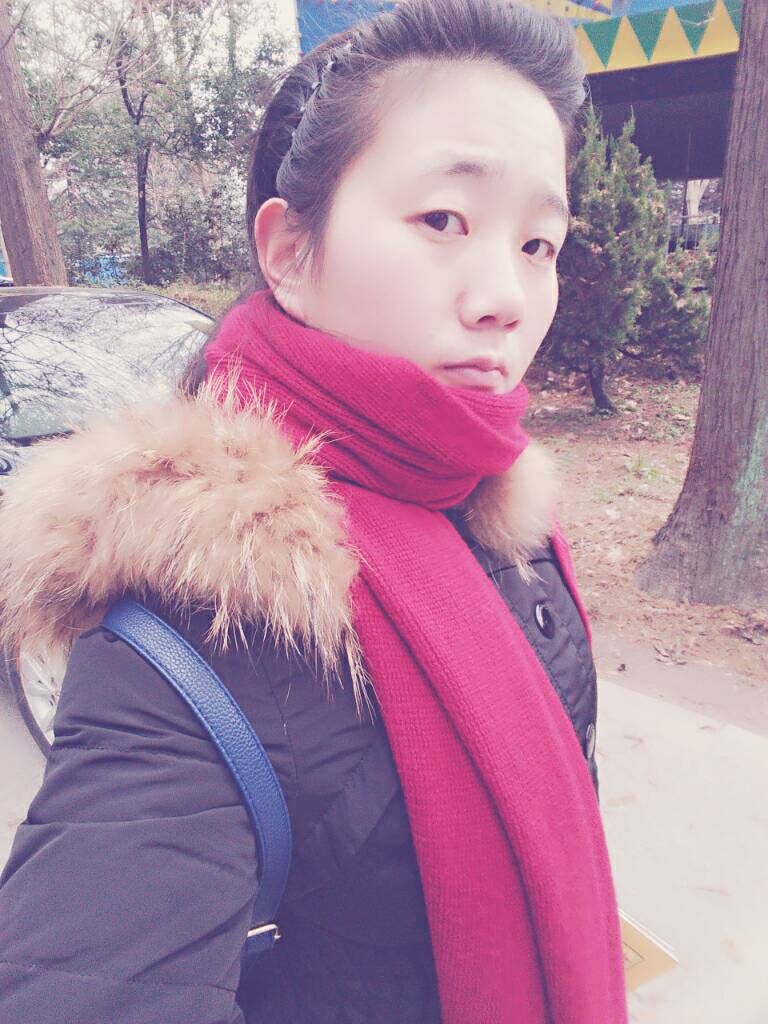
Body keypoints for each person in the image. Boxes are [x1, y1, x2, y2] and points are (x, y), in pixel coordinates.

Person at [0, 0, 627, 1020]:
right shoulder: (210, 615)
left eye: (538, 243)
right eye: (444, 221)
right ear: (290, 251)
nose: (506, 297)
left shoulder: (496, 502)